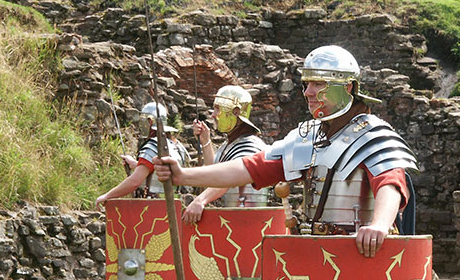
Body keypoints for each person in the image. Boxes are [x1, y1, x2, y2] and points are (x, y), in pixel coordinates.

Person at [155, 45, 417, 259]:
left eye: (317, 84)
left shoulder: (373, 134)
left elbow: (391, 183)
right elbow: (249, 168)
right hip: (314, 252)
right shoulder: (308, 136)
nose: (307, 92)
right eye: (306, 84)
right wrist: (184, 175)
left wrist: (379, 225)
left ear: (347, 87)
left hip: (362, 255)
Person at [183, 85, 269, 223]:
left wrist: (200, 200)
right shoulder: (229, 144)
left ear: (235, 112)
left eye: (218, 109)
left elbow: (230, 178)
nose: (213, 115)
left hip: (248, 222)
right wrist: (206, 141)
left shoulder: (250, 146)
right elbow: (215, 175)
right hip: (231, 219)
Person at [95, 102, 188, 209]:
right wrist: (135, 164)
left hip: (153, 207)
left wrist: (107, 196)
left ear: (150, 121)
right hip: (172, 204)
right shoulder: (176, 145)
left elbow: (135, 181)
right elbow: (157, 170)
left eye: (143, 120)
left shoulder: (153, 146)